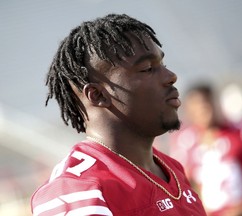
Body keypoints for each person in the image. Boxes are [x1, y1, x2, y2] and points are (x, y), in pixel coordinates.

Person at [31, 14, 207, 216]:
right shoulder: (77, 191)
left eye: (163, 65)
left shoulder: (171, 168)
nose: (171, 77)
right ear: (97, 95)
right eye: (148, 69)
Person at [169, 83, 242, 216]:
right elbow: (184, 186)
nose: (203, 110)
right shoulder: (186, 144)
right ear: (189, 111)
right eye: (197, 107)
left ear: (215, 103)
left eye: (205, 104)